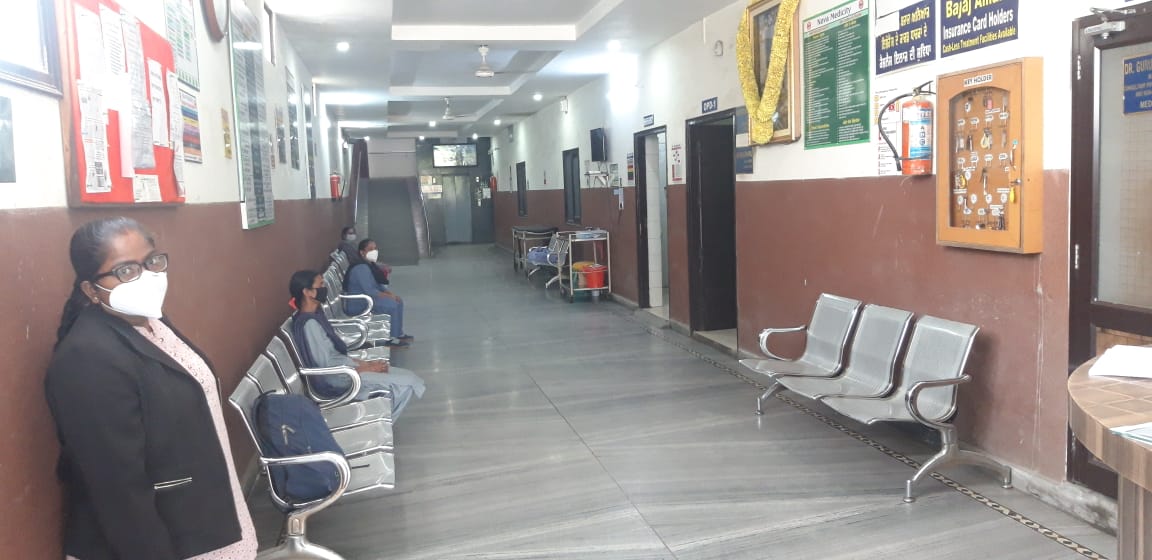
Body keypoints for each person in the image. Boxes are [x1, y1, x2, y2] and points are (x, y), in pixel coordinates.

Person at [45, 217, 256, 560]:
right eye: (126, 270)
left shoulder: (153, 323)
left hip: (202, 520)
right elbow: (118, 490)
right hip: (158, 543)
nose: (147, 277)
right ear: (90, 290)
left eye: (152, 262)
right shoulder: (87, 359)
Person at [289, 270, 425, 416]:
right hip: (340, 378)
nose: (324, 288)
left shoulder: (316, 315)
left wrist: (366, 364)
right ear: (308, 292)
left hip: (348, 369)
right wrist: (367, 369)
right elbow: (326, 366)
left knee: (408, 377)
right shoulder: (310, 324)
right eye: (320, 284)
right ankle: (384, 422)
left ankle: (386, 419)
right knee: (404, 384)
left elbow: (335, 355)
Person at [344, 238, 411, 346]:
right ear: (362, 252)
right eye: (370, 249)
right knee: (392, 306)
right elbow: (369, 290)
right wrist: (387, 296)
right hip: (361, 302)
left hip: (369, 298)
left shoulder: (369, 265)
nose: (374, 251)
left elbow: (378, 285)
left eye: (375, 248)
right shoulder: (360, 268)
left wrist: (390, 294)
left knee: (398, 301)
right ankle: (391, 338)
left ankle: (398, 333)